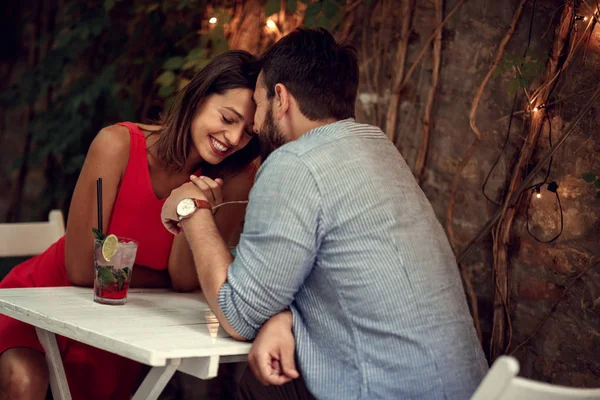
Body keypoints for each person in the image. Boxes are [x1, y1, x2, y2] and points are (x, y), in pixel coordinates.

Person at [161, 28, 489, 400]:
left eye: (259, 103)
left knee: (264, 382)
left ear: (280, 98)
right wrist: (282, 318)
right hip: (471, 389)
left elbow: (237, 315)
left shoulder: (294, 163)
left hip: (385, 391)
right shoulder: (380, 150)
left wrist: (194, 208)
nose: (254, 125)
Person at [0, 50, 260, 400]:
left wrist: (190, 205)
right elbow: (79, 268)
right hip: (42, 304)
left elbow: (184, 281)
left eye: (247, 132)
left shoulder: (231, 180)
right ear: (199, 97)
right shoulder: (117, 145)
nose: (233, 138)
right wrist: (161, 279)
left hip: (119, 324)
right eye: (228, 118)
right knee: (24, 380)